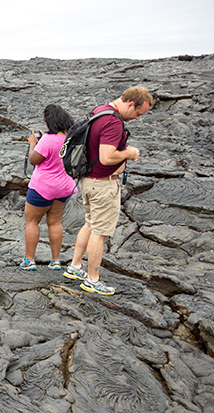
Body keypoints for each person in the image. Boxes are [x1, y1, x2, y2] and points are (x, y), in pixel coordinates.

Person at [64, 86, 153, 295]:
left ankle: (75, 267)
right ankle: (92, 280)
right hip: (102, 184)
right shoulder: (113, 122)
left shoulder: (100, 111)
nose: (138, 118)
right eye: (138, 114)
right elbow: (107, 157)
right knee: (100, 231)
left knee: (90, 223)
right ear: (131, 104)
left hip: (88, 180)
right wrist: (129, 153)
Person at [20, 104, 76, 271]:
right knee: (55, 223)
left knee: (32, 221)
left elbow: (33, 160)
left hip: (42, 187)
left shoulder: (47, 140)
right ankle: (56, 261)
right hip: (64, 187)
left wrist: (33, 144)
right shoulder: (71, 139)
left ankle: (29, 261)